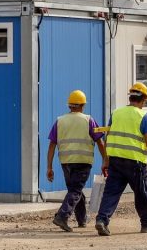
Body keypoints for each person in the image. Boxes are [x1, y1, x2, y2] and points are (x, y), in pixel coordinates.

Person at [94, 82, 147, 236]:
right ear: (143, 99)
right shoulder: (144, 117)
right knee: (142, 192)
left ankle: (102, 220)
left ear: (131, 98)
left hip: (115, 161)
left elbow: (109, 137)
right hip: (136, 163)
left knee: (111, 193)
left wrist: (106, 160)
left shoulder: (116, 113)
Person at [46, 89, 108, 232]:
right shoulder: (88, 120)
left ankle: (81, 219)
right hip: (83, 161)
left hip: (65, 162)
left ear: (70, 105)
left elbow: (52, 145)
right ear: (82, 105)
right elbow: (100, 142)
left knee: (74, 189)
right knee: (75, 190)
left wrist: (49, 167)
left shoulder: (59, 121)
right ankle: (62, 216)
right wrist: (106, 160)